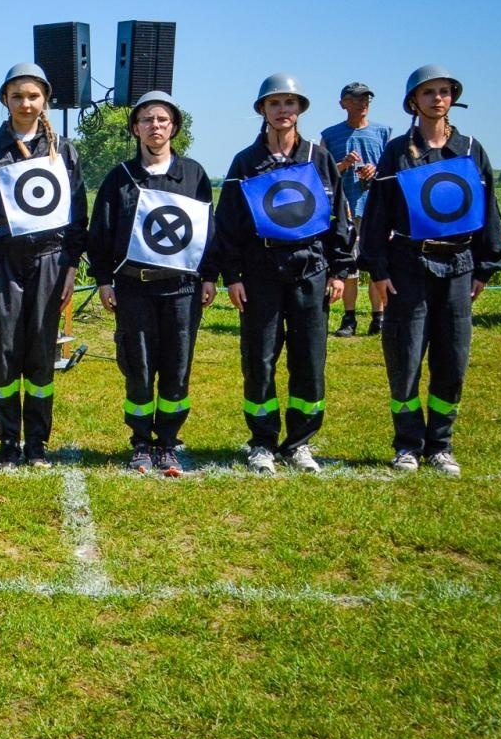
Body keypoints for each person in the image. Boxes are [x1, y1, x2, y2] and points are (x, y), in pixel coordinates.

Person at [360, 65, 501, 475]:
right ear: (414, 101)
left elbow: (488, 210)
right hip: (408, 265)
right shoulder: (397, 152)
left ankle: (440, 444)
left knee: (452, 359)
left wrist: (485, 266)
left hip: (459, 266)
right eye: (429, 93)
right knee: (405, 358)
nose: (437, 98)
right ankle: (407, 443)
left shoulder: (471, 148)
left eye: (444, 92)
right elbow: (378, 212)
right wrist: (378, 267)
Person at [214, 74, 354, 474]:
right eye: (274, 104)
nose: (282, 111)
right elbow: (229, 224)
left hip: (311, 270)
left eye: (290, 103)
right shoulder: (246, 161)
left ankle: (300, 443)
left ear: (300, 110)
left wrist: (339, 269)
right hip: (260, 273)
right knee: (259, 360)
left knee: (309, 360)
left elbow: (337, 217)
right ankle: (261, 442)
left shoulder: (318, 157)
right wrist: (233, 276)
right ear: (262, 110)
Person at [0, 64, 88, 468]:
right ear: (4, 100)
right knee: (5, 350)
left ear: (44, 99)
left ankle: (37, 443)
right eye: (17, 96)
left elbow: (77, 214)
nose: (25, 103)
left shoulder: (64, 149)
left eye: (33, 96)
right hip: (0, 261)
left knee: (40, 350)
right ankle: (8, 442)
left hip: (50, 260)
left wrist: (69, 267)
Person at [86, 91, 218, 477]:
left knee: (177, 366)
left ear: (174, 127)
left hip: (181, 290)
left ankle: (168, 443)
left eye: (162, 119)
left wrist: (210, 275)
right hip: (133, 288)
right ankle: (141, 442)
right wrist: (104, 281)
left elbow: (210, 231)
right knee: (138, 366)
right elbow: (102, 233)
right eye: (146, 120)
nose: (155, 126)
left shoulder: (193, 174)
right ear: (136, 129)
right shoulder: (120, 178)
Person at [318, 82, 391, 337]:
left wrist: (375, 170)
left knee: (377, 262)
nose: (362, 104)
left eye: (366, 99)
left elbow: (392, 172)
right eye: (356, 99)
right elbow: (321, 175)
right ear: (343, 103)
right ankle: (349, 319)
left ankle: (378, 317)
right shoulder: (329, 135)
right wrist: (343, 164)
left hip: (376, 209)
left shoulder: (383, 133)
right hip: (345, 210)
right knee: (348, 266)